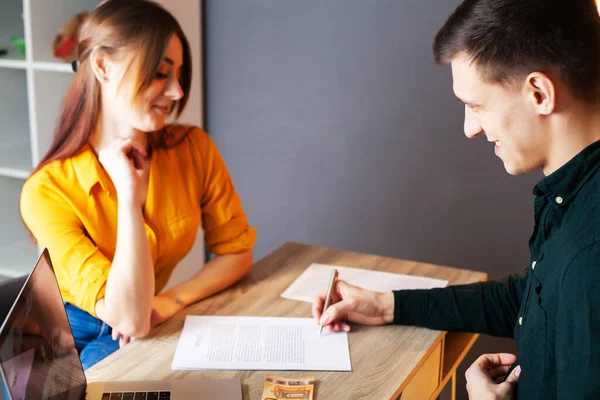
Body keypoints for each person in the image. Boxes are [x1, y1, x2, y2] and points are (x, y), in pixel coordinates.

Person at [313, 0, 600, 398]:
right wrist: (388, 306)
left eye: (475, 105)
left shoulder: (590, 255)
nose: (470, 129)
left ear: (538, 92)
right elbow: (532, 297)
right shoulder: (572, 199)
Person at [20, 0, 255, 370]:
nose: (177, 91)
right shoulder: (46, 190)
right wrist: (130, 200)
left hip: (146, 315)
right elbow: (125, 317)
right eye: (161, 74)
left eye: (179, 74)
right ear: (102, 66)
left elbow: (237, 252)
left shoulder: (193, 149)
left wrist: (172, 300)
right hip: (68, 332)